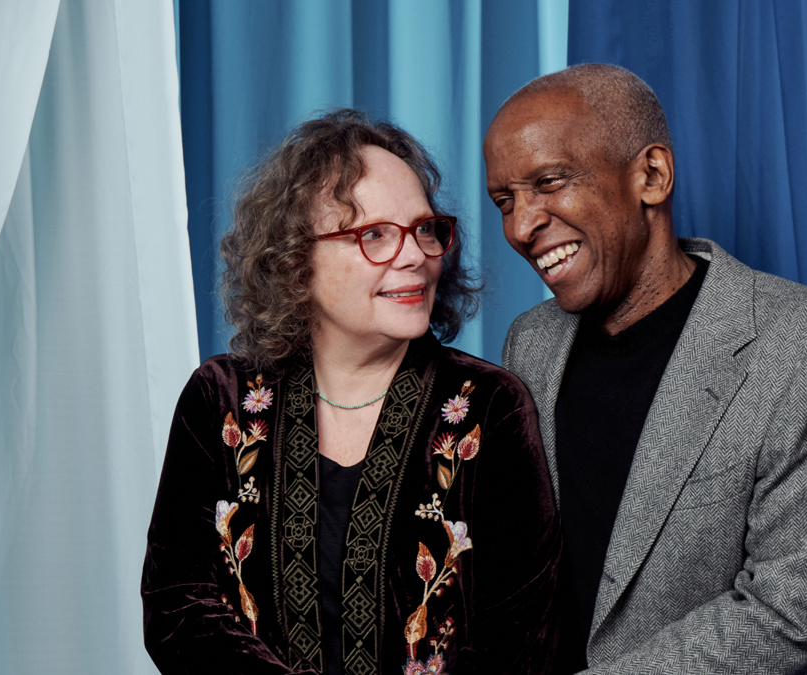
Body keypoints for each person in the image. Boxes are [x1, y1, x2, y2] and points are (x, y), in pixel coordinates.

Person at [485, 64, 807, 673]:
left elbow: (788, 614)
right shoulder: (530, 345)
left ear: (651, 175)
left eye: (549, 182)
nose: (520, 226)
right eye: (504, 201)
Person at [142, 109, 561, 675]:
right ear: (295, 260)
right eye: (375, 235)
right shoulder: (221, 399)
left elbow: (519, 639)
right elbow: (178, 608)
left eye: (425, 229)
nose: (415, 256)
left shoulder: (489, 405)